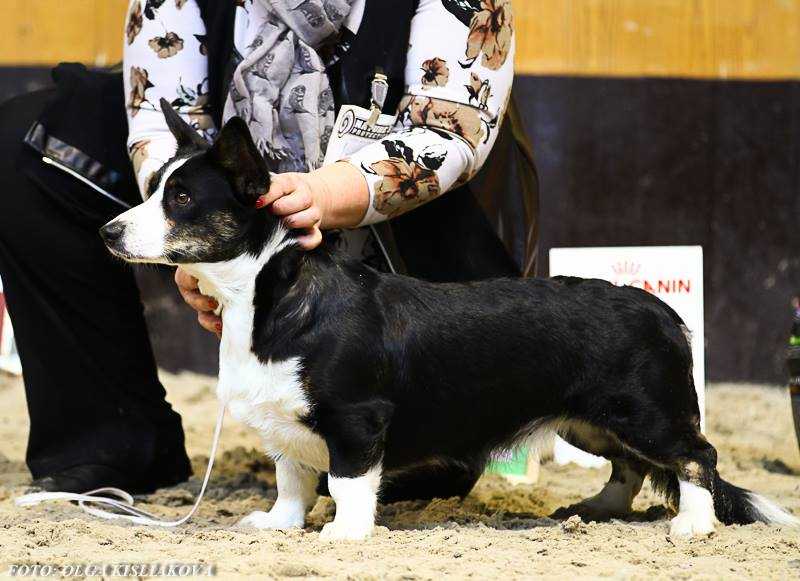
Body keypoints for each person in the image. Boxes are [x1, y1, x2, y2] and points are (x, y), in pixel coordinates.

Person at [0, 0, 537, 498]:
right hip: (239, 201)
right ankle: (109, 437)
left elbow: (451, 134)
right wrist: (188, 241)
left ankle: (418, 433)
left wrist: (322, 195)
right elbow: (160, 121)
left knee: (388, 474)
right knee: (27, 143)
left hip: (408, 236)